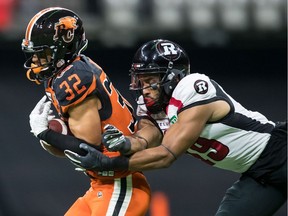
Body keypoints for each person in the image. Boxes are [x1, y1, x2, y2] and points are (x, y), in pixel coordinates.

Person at [65, 39, 287, 216]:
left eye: (150, 80)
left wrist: (109, 164)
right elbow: (148, 135)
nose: (144, 90)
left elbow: (167, 154)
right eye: (140, 81)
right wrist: (125, 143)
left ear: (172, 77)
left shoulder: (193, 87)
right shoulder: (155, 105)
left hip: (282, 152)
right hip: (259, 175)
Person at [22, 7, 155, 216]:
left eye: (43, 53)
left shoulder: (73, 78)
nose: (36, 61)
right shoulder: (75, 68)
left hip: (120, 185)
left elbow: (88, 149)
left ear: (62, 48)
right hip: (100, 186)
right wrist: (51, 139)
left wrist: (45, 133)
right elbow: (75, 152)